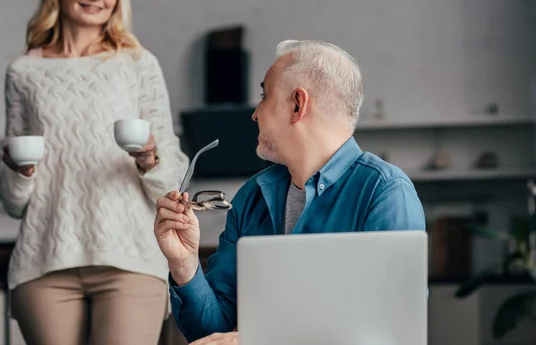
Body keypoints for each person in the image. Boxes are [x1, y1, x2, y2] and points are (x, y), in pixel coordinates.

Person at [154, 40, 426, 344]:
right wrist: (184, 263)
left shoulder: (383, 191)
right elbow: (213, 332)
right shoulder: (251, 196)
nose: (255, 114)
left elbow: (391, 330)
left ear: (298, 105)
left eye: (264, 96)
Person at [0, 0, 189, 344]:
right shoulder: (24, 72)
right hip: (44, 261)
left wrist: (150, 157)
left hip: (130, 260)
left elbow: (174, 178)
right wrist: (19, 171)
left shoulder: (138, 63)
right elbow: (13, 202)